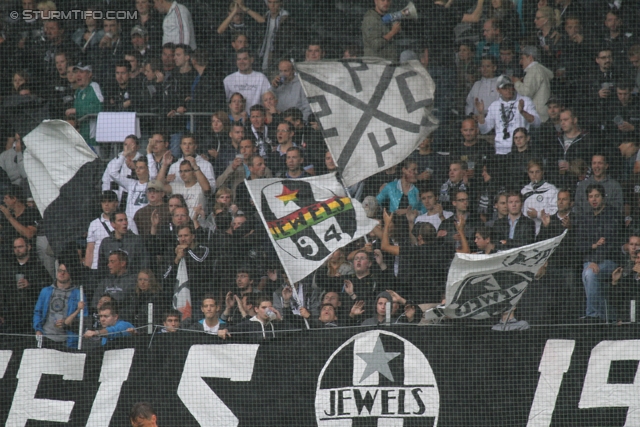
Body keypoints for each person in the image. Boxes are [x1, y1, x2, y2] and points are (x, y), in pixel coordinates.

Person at [576, 183, 624, 321]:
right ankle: (608, 317)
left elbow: (611, 245)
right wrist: (593, 246)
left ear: (603, 197)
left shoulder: (613, 215)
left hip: (609, 261)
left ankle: (593, 315)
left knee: (590, 274)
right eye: (590, 196)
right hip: (590, 261)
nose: (594, 199)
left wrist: (595, 260)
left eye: (596, 196)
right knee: (589, 273)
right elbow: (579, 245)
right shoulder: (585, 218)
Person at [476, 75, 541, 155]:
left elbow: (537, 123)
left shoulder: (525, 101)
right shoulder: (494, 105)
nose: (508, 90)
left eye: (510, 87)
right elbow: (484, 130)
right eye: (504, 88)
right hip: (500, 151)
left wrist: (523, 112)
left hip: (520, 150)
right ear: (498, 90)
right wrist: (480, 113)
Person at [2, 236, 50, 333]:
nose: (17, 250)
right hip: (11, 316)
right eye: (15, 247)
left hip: (30, 316)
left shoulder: (38, 267)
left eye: (20, 246)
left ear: (29, 247)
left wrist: (30, 285)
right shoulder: (8, 267)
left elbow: (47, 289)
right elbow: (2, 290)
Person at [33, 262, 88, 346]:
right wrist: (38, 329)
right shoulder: (46, 291)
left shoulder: (78, 294)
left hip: (67, 341)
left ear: (71, 274)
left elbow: (83, 319)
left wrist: (67, 323)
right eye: (60, 270)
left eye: (65, 271)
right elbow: (38, 312)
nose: (62, 273)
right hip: (46, 337)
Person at [97, 211, 150, 278]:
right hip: (111, 284)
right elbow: (102, 268)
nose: (124, 223)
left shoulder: (137, 241)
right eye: (120, 220)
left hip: (131, 282)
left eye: (125, 220)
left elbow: (144, 265)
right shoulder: (106, 243)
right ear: (113, 224)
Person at [64, 62, 103, 151]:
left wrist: (77, 110)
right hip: (80, 139)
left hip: (93, 139)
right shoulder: (77, 92)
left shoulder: (94, 87)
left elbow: (99, 107)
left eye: (81, 72)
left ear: (89, 74)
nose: (78, 75)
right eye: (76, 72)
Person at [512, 46, 554, 122]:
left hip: (538, 115)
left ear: (530, 58)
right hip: (542, 113)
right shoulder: (539, 69)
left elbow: (527, 92)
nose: (520, 62)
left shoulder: (534, 70)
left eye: (522, 58)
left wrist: (516, 82)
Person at [223, 48, 271, 115]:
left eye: (245, 59)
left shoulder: (261, 77)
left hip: (256, 119)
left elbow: (269, 99)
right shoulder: (228, 79)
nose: (241, 62)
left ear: (251, 60)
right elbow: (224, 102)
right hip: (235, 121)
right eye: (239, 59)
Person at [521, 159, 558, 234]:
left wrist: (537, 214)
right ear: (528, 173)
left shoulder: (551, 190)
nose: (534, 175)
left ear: (542, 172)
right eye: (531, 172)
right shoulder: (524, 191)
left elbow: (555, 212)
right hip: (527, 232)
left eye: (537, 172)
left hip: (546, 231)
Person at [611, 235, 640, 323]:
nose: (634, 247)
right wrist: (614, 282)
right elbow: (616, 298)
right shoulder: (622, 266)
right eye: (631, 244)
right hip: (626, 315)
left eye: (637, 245)